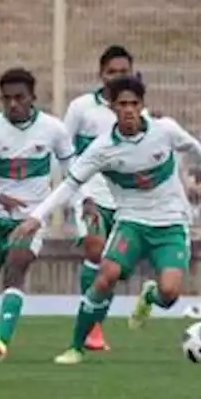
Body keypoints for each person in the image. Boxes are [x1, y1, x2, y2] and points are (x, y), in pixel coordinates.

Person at [11, 75, 201, 365]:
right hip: (131, 223)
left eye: (134, 103)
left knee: (170, 294)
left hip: (171, 224)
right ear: (112, 108)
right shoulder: (103, 148)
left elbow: (192, 146)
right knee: (105, 276)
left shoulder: (164, 130)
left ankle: (150, 296)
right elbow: (69, 183)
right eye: (122, 104)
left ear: (142, 105)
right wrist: (36, 217)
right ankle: (76, 347)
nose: (129, 110)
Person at [0, 68, 75, 361]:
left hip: (30, 219)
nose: (13, 104)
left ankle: (0, 342)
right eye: (7, 98)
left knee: (16, 268)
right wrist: (0, 196)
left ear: (32, 98)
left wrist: (81, 205)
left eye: (19, 97)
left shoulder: (53, 129)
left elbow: (74, 173)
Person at [60, 45, 137, 352]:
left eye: (124, 71)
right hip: (88, 195)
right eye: (113, 71)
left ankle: (95, 319)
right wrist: (75, 192)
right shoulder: (81, 108)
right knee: (94, 250)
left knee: (113, 266)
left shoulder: (134, 112)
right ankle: (92, 328)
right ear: (101, 74)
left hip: (123, 199)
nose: (119, 77)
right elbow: (64, 150)